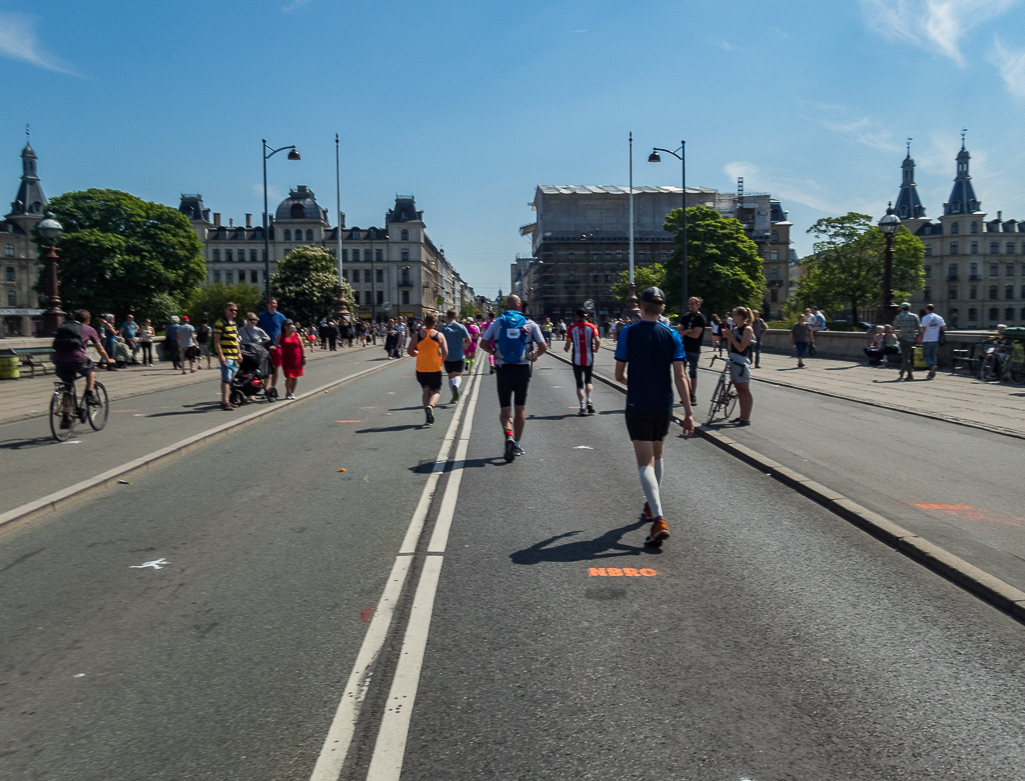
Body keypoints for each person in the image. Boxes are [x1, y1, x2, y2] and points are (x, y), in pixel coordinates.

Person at [613, 287, 694, 546]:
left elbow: (618, 374)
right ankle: (650, 506)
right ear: (661, 307)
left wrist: (632, 383)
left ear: (642, 306)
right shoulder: (671, 335)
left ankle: (658, 518)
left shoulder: (628, 332)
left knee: (644, 463)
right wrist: (689, 413)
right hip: (664, 404)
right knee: (658, 455)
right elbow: (680, 376)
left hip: (639, 403)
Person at [481, 294, 547, 461]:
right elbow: (543, 346)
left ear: (505, 308)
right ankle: (517, 444)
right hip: (522, 369)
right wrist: (534, 355)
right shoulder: (529, 323)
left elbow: (483, 344)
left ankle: (508, 434)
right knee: (520, 409)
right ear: (520, 307)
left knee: (505, 410)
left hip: (503, 368)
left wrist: (494, 352)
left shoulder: (497, 322)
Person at [51, 309, 111, 426]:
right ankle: (90, 395)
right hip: (76, 359)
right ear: (87, 320)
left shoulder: (64, 327)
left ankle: (66, 416)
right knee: (90, 370)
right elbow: (100, 349)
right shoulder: (89, 329)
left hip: (58, 359)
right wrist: (108, 360)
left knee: (68, 387)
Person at [408, 312, 449, 426]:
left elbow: (410, 351)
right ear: (435, 323)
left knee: (425, 391)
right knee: (436, 391)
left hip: (421, 368)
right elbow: (445, 352)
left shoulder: (418, 335)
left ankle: (427, 417)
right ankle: (430, 407)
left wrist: (418, 353)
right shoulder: (439, 335)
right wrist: (441, 361)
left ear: (425, 322)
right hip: (435, 367)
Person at [722, 306, 755, 426]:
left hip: (742, 362)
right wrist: (729, 337)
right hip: (734, 360)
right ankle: (742, 416)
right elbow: (731, 348)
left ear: (741, 316)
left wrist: (731, 337)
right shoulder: (736, 329)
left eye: (734, 314)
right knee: (739, 391)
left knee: (745, 390)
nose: (732, 317)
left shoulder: (748, 329)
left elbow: (742, 347)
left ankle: (746, 418)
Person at [565, 308, 600, 416]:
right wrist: (596, 349)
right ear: (585, 316)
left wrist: (566, 348)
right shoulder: (592, 327)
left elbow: (568, 344)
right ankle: (589, 399)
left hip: (577, 357)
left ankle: (582, 406)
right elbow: (597, 340)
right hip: (589, 356)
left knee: (579, 383)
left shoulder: (572, 328)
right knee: (588, 381)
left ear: (576, 316)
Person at [439, 309, 471, 403]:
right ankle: (456, 386)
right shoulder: (461, 327)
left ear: (447, 317)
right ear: (456, 316)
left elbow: (438, 341)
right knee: (458, 375)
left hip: (447, 356)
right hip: (459, 355)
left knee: (450, 376)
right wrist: (464, 346)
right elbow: (469, 340)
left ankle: (454, 396)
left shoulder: (443, 329)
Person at [678, 296, 705, 405]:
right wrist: (689, 330)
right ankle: (687, 394)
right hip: (684, 348)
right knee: (682, 373)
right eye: (689, 304)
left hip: (694, 349)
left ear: (698, 305)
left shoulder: (700, 318)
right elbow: (679, 331)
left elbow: (696, 335)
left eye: (693, 304)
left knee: (693, 373)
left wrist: (686, 331)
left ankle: (692, 396)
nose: (690, 306)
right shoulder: (685, 317)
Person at [213, 302, 240, 411]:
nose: (234, 312)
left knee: (231, 377)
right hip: (227, 357)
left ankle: (228, 400)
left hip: (234, 356)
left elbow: (236, 340)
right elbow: (216, 341)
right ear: (226, 310)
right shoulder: (220, 323)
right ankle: (224, 402)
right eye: (231, 310)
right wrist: (221, 356)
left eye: (235, 310)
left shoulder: (233, 323)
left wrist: (239, 353)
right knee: (226, 378)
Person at [257, 297, 287, 396]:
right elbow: (256, 328)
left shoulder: (281, 317)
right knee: (266, 369)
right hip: (265, 347)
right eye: (271, 303)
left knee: (276, 369)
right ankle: (266, 389)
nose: (273, 305)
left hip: (277, 347)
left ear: (276, 305)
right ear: (267, 305)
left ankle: (272, 388)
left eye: (274, 303)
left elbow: (285, 330)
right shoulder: (262, 316)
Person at [276, 319, 306, 400]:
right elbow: (275, 346)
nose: (289, 326)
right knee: (289, 376)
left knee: (295, 376)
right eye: (287, 325)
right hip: (286, 359)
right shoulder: (281, 336)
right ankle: (288, 392)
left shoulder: (297, 335)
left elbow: (301, 346)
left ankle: (292, 392)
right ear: (284, 326)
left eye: (290, 325)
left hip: (297, 359)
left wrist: (304, 357)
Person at [893, 301, 922, 381]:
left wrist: (893, 333)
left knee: (905, 357)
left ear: (902, 309)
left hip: (903, 338)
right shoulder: (915, 316)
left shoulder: (899, 317)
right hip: (912, 338)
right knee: (907, 356)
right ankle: (902, 373)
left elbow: (894, 327)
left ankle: (910, 375)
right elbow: (920, 328)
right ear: (909, 308)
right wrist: (919, 336)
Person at [920, 303, 946, 380]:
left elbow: (923, 329)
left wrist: (921, 336)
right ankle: (932, 372)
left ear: (927, 309)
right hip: (936, 339)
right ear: (933, 309)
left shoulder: (925, 318)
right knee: (933, 356)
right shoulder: (939, 317)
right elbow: (944, 328)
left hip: (927, 339)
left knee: (926, 356)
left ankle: (932, 366)